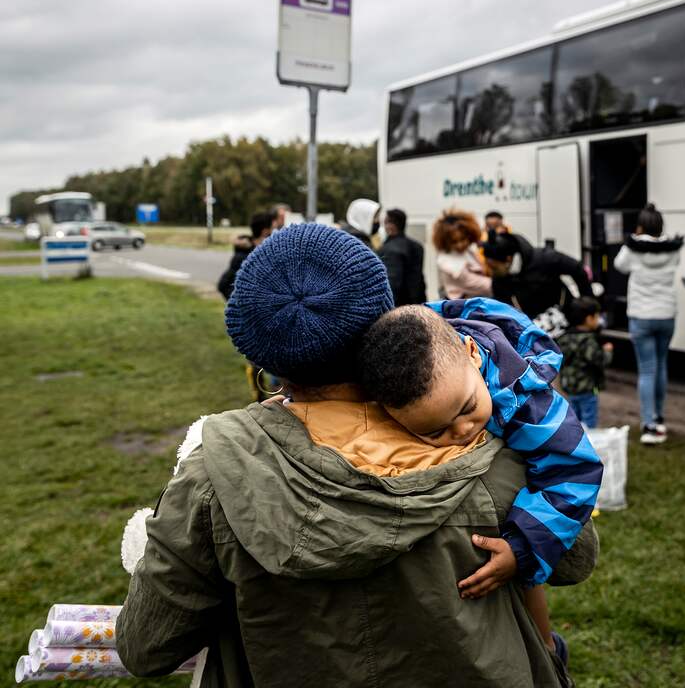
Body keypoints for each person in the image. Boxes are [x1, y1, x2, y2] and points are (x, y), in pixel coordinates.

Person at [116, 224, 597, 686]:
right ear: (384, 314)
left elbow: (146, 646)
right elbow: (575, 558)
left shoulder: (214, 474)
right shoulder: (493, 434)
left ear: (265, 363)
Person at [358, 299, 603, 657]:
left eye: (468, 408)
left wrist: (523, 548)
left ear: (471, 352)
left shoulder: (525, 401)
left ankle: (551, 655)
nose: (463, 430)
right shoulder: (400, 361)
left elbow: (575, 470)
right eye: (436, 432)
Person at [612, 203, 684, 445]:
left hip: (641, 315)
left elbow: (619, 265)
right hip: (666, 315)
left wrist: (635, 238)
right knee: (662, 366)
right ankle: (660, 417)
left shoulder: (633, 249)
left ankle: (649, 424)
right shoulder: (673, 249)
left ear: (640, 226)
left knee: (647, 369)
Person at [482, 231, 593, 319]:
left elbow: (578, 270)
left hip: (564, 318)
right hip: (533, 329)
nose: (491, 272)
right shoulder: (499, 279)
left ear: (508, 259)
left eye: (494, 267)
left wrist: (586, 306)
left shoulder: (544, 259)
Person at [556, 297, 614, 429]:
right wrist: (607, 351)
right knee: (589, 423)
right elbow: (601, 361)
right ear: (589, 319)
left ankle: (575, 446)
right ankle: (589, 445)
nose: (599, 319)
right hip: (587, 390)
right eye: (597, 316)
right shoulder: (588, 341)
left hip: (570, 389)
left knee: (574, 423)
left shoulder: (564, 338)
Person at [432, 209, 493, 299]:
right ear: (445, 241)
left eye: (463, 239)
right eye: (454, 242)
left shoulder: (469, 251)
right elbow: (476, 283)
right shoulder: (446, 260)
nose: (460, 245)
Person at [217, 211, 275, 300]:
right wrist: (242, 304)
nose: (276, 232)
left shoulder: (267, 253)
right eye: (273, 228)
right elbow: (224, 285)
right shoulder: (243, 256)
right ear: (265, 232)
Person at [378, 207, 427, 305]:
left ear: (391, 226)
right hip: (419, 303)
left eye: (385, 223)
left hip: (401, 308)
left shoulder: (389, 249)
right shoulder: (417, 246)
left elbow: (393, 284)